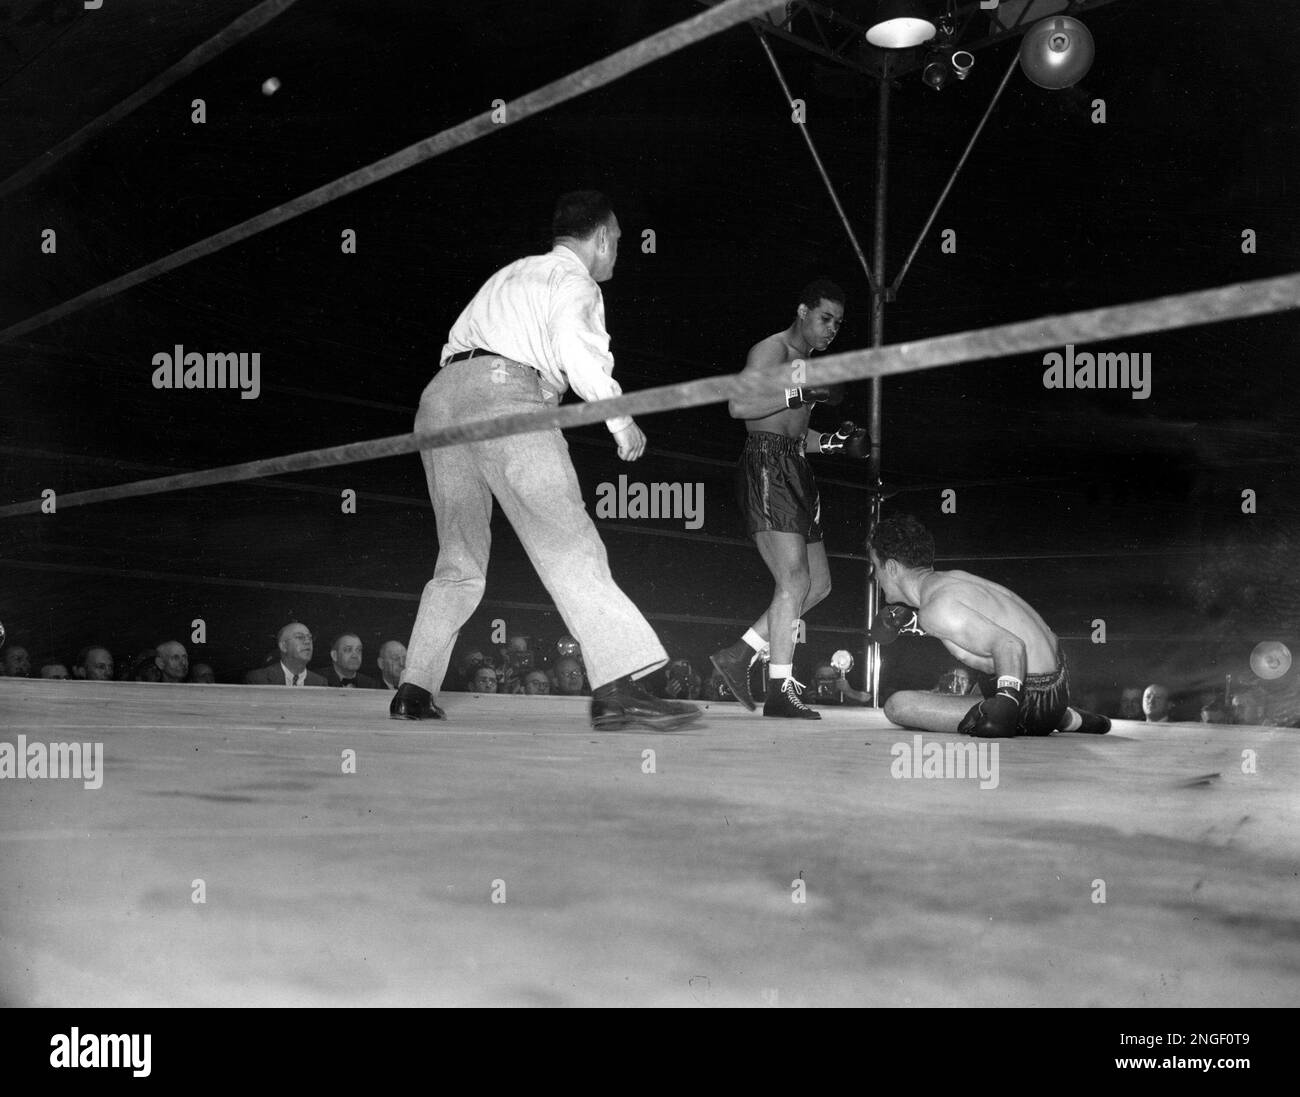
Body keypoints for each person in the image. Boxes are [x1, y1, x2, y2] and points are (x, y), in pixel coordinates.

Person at [393, 190, 700, 732]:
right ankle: (622, 684)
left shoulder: (513, 273)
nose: (618, 254)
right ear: (601, 238)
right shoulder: (573, 280)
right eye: (618, 243)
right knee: (568, 542)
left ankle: (413, 688)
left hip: (440, 399)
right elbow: (577, 350)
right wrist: (620, 419)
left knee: (459, 558)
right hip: (505, 395)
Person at [708, 280, 868, 720]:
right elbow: (740, 407)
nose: (832, 328)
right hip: (766, 466)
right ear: (802, 311)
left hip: (795, 465)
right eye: (825, 317)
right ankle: (780, 688)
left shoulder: (806, 365)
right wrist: (802, 392)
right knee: (794, 581)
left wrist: (835, 443)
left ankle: (740, 655)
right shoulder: (772, 351)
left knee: (817, 585)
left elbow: (794, 432)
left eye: (838, 322)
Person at [871, 515, 1110, 738]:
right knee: (980, 684)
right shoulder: (952, 581)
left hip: (1030, 699)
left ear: (891, 567)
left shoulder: (936, 609)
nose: (874, 576)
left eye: (875, 566)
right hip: (1055, 681)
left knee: (898, 705)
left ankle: (1046, 715)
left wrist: (1006, 704)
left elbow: (1009, 644)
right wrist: (903, 621)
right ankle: (1068, 717)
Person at [244, 622, 327, 686]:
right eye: (300, 637)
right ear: (283, 646)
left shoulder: (319, 682)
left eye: (310, 638)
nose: (307, 641)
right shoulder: (259, 679)